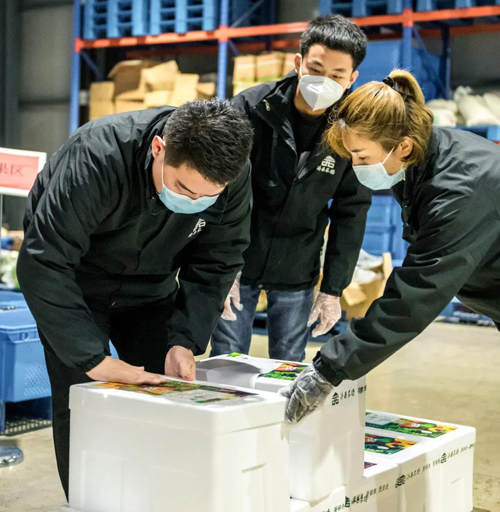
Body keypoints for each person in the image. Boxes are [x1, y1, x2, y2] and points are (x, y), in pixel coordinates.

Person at [17, 99, 253, 497]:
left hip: (154, 286)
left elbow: (218, 260)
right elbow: (44, 261)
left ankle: (159, 497)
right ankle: (88, 501)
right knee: (82, 405)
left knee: (170, 394)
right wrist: (92, 359)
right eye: (183, 189)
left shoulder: (232, 172)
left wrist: (185, 339)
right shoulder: (97, 156)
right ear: (160, 149)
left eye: (207, 197)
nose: (194, 202)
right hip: (79, 285)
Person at [281, 69, 500, 423]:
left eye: (362, 157)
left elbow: (414, 296)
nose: (356, 167)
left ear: (403, 147)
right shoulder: (418, 161)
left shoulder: (459, 192)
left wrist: (330, 368)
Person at [210, 14, 371, 362]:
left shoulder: (352, 133)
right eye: (316, 69)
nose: (323, 82)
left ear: (351, 79)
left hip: (298, 267)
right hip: (239, 260)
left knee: (287, 366)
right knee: (225, 361)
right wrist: (219, 265)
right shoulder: (251, 108)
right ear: (298, 63)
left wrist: (333, 290)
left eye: (337, 76)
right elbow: (218, 190)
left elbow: (352, 212)